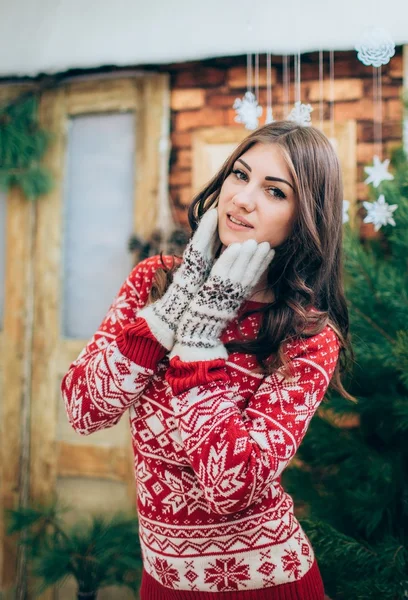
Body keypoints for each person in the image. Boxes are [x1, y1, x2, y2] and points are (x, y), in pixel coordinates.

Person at [61, 120, 355, 599]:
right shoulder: (153, 282)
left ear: (304, 217)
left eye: (274, 191)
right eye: (240, 175)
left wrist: (199, 339)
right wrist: (172, 310)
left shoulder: (307, 336)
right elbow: (83, 410)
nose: (242, 198)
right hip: (162, 581)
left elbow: (230, 487)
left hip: (265, 583)